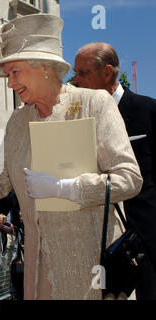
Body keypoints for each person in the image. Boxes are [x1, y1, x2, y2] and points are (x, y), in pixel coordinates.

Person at [0, 14, 143, 300]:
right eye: (7, 75)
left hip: (90, 267)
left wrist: (67, 188)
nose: (9, 84)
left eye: (14, 73)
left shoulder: (94, 103)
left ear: (44, 67)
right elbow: (2, 184)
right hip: (37, 265)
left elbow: (129, 179)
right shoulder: (17, 122)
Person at [74, 42, 156, 299]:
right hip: (100, 245)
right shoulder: (78, 121)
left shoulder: (148, 111)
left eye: (83, 73)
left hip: (147, 243)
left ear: (107, 72)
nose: (75, 81)